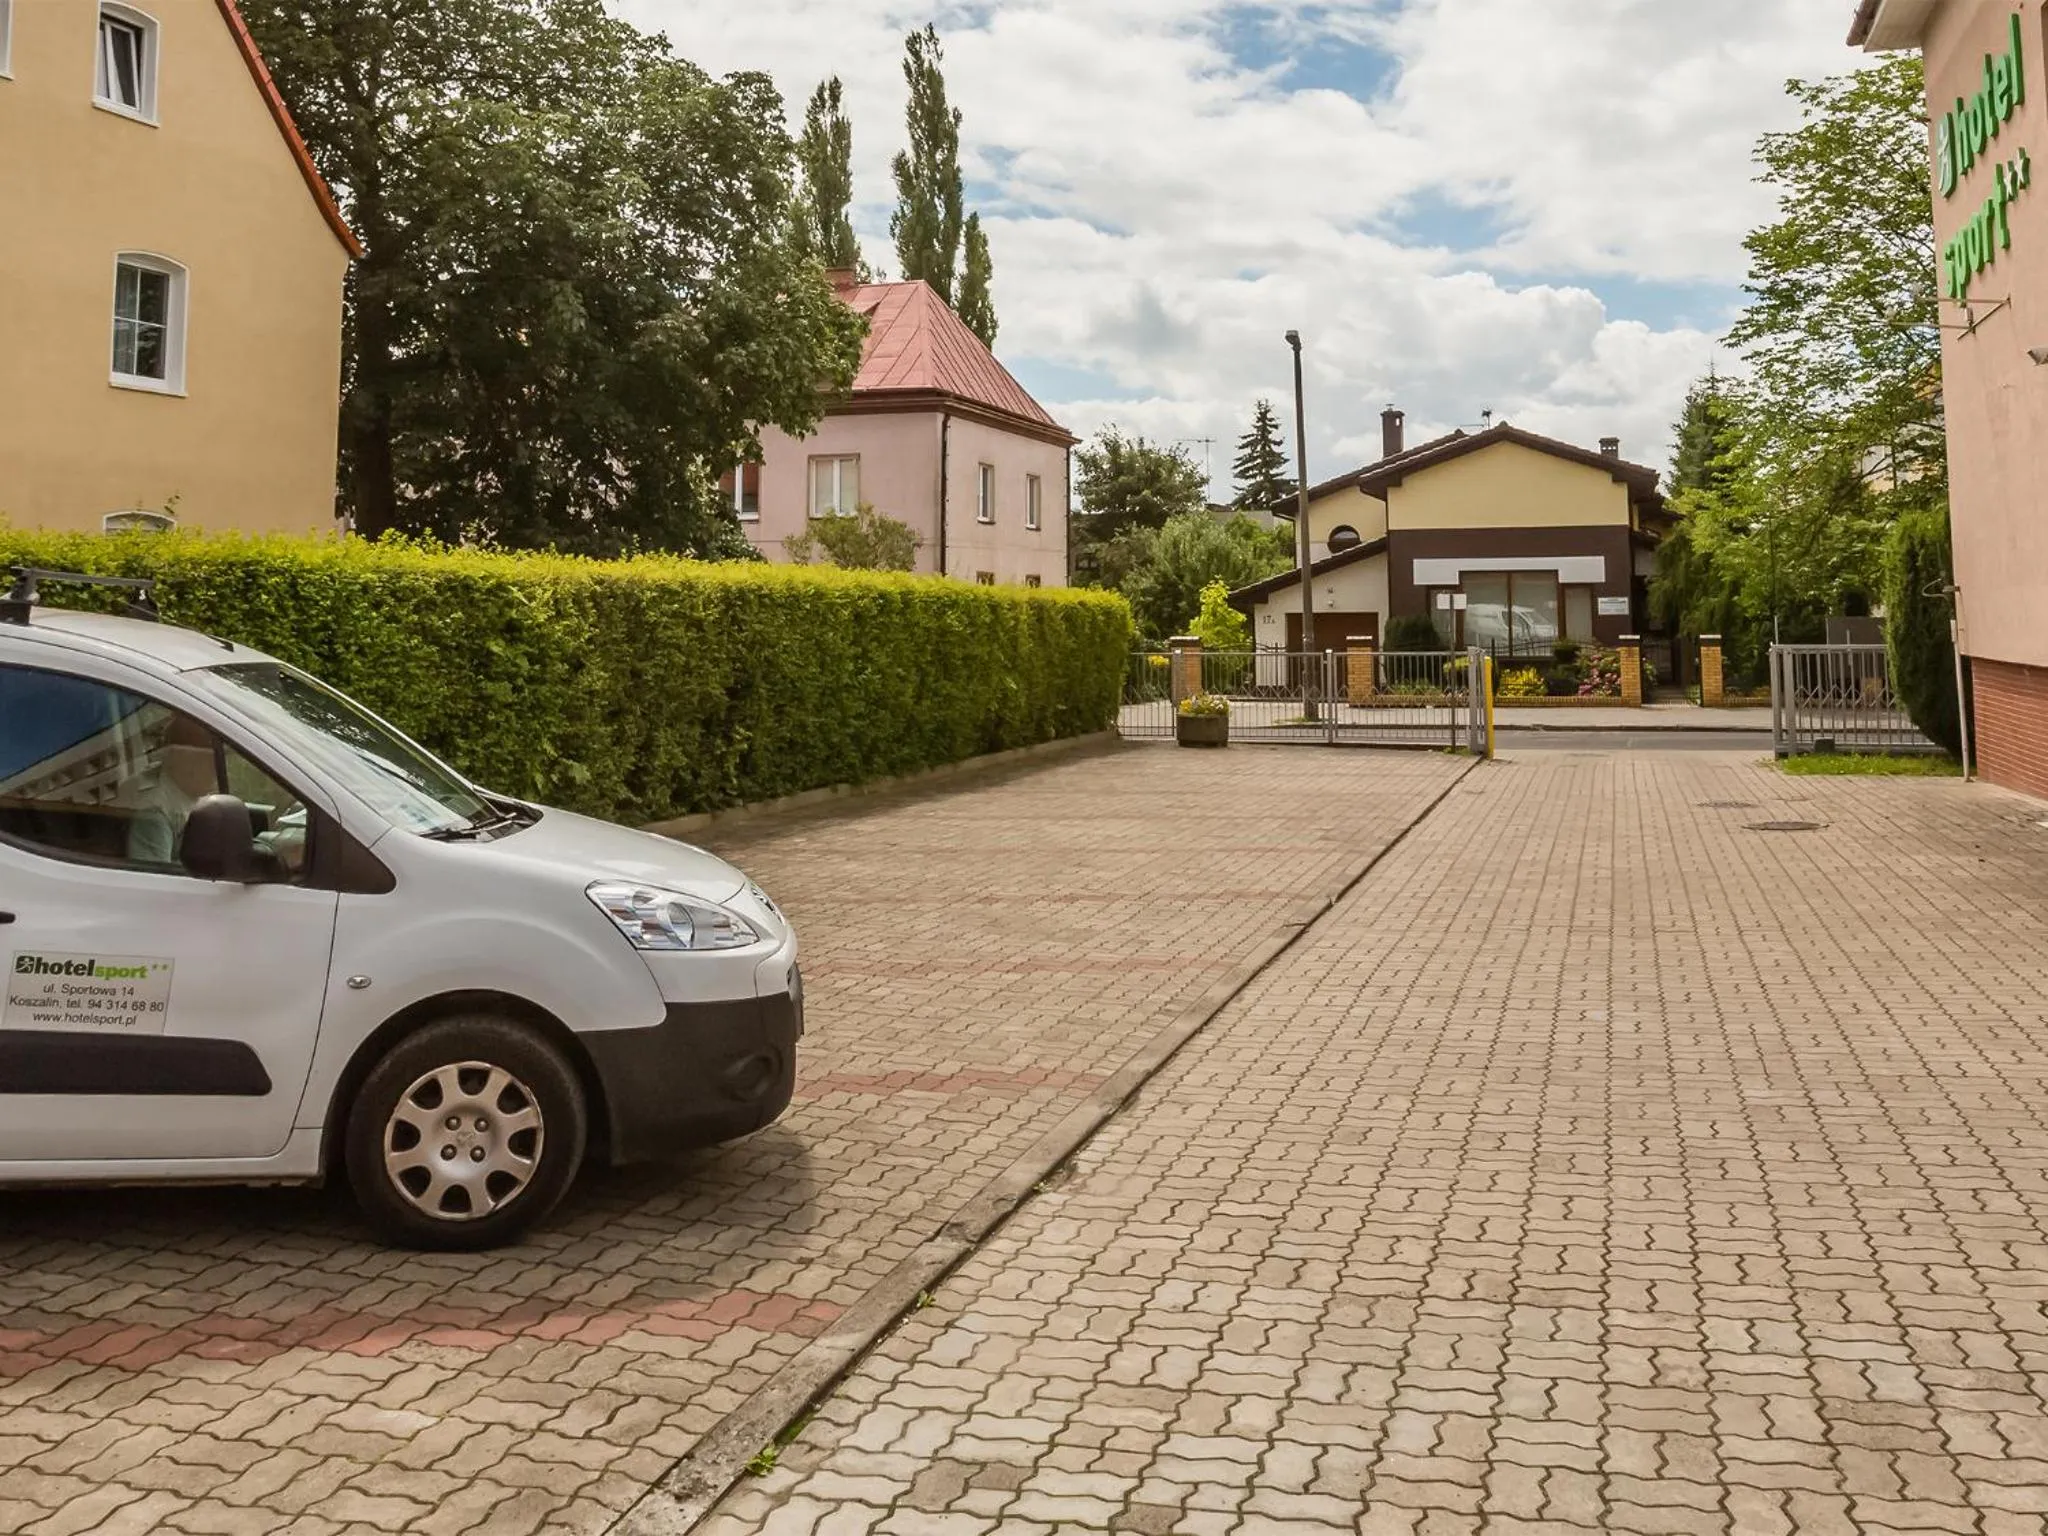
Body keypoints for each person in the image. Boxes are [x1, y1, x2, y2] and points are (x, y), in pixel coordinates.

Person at [127, 712, 222, 865]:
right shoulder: (155, 812)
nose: (217, 772)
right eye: (210, 762)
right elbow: (156, 878)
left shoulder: (188, 792)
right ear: (187, 762)